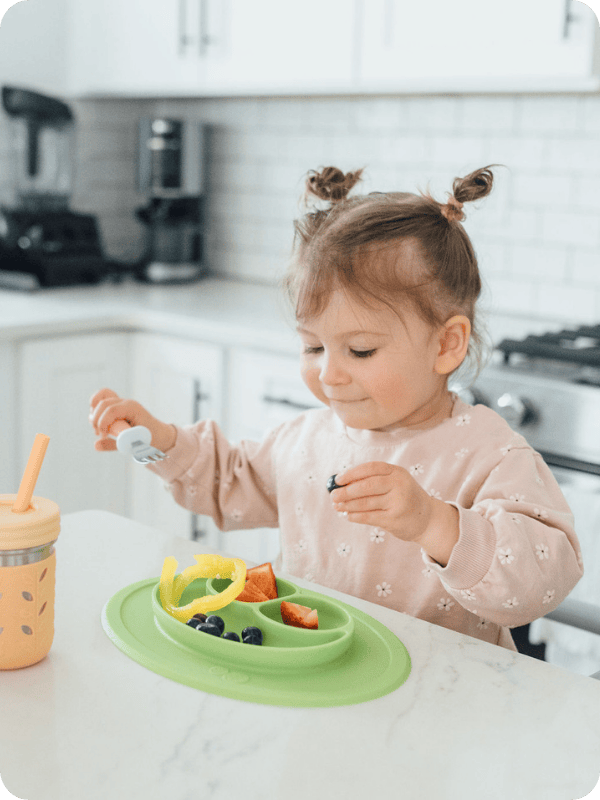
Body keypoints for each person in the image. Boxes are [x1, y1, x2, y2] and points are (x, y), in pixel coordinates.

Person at [89, 165, 583, 651]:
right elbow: (229, 478)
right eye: (312, 347)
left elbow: (543, 579)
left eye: (361, 350)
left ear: (446, 345)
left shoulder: (489, 453)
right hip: (316, 680)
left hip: (440, 703)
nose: (328, 374)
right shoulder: (307, 438)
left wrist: (433, 522)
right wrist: (163, 441)